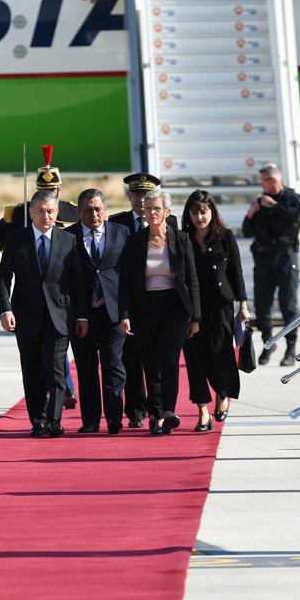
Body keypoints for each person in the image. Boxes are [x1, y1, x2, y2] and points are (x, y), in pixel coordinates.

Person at [0, 190, 87, 437]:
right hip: (26, 316)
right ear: (31, 212)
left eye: (50, 211)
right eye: (40, 211)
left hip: (59, 316)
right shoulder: (17, 240)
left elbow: (77, 281)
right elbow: (4, 277)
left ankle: (55, 420)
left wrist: (81, 316)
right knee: (32, 370)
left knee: (56, 370)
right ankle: (38, 421)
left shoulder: (68, 240)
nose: (46, 216)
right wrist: (5, 309)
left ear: (56, 213)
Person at [119, 189, 200, 435]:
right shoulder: (135, 241)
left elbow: (192, 280)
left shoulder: (181, 239)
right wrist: (124, 314)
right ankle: (155, 414)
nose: (152, 213)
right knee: (150, 362)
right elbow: (124, 281)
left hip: (174, 307)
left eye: (157, 208)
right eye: (148, 208)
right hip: (144, 307)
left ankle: (168, 411)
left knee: (169, 361)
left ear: (167, 211)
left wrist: (195, 317)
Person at [182, 190, 248, 432]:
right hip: (191, 309)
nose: (199, 217)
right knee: (195, 359)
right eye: (194, 212)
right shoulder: (183, 238)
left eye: (204, 211)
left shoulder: (225, 236)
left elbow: (236, 272)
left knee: (220, 355)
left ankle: (222, 394)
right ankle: (202, 411)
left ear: (212, 212)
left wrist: (243, 304)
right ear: (188, 214)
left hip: (220, 306)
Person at [109, 172, 167, 427]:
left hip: (159, 300)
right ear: (130, 196)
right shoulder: (117, 224)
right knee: (130, 360)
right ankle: (135, 411)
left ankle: (160, 408)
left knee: (159, 359)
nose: (141, 200)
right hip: (132, 301)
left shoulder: (169, 223)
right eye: (137, 194)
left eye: (146, 195)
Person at [70, 188, 128, 434]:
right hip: (82, 315)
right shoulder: (68, 237)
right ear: (78, 212)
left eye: (97, 209)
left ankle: (115, 417)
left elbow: (127, 276)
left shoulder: (121, 233)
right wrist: (78, 314)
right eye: (87, 210)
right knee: (86, 368)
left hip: (112, 312)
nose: (93, 214)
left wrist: (126, 313)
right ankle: (90, 420)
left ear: (106, 209)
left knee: (114, 365)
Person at [241, 163, 300, 367]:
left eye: (265, 179)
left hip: (285, 257)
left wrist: (275, 206)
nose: (263, 184)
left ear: (276, 179)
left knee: (288, 304)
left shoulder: (292, 198)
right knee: (262, 305)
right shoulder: (260, 202)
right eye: (261, 180)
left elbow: (296, 219)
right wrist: (252, 211)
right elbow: (247, 231)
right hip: (263, 258)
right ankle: (268, 343)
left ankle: (291, 348)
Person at [0, 143, 78, 250]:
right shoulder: (19, 212)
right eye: (43, 190)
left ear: (59, 190)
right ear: (37, 190)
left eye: (52, 190)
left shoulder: (73, 211)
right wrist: (10, 254)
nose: (47, 194)